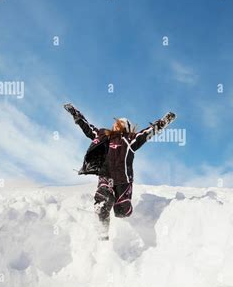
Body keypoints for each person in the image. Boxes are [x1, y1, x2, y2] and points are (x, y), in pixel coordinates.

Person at [64, 103, 176, 240]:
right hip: (106, 176)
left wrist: (163, 122)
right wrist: (76, 114)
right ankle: (102, 233)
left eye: (121, 123)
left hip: (124, 181)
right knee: (104, 200)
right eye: (116, 123)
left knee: (122, 213)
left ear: (127, 127)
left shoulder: (131, 139)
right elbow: (88, 128)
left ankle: (128, 236)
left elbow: (148, 132)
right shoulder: (103, 135)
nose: (117, 125)